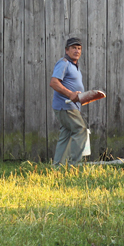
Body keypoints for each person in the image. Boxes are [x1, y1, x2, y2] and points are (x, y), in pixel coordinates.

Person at [50, 37, 87, 166]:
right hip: (65, 106)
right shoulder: (64, 63)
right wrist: (70, 94)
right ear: (67, 50)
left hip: (71, 106)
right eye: (73, 48)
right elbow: (54, 82)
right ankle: (74, 165)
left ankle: (58, 166)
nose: (76, 51)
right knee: (80, 130)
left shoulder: (74, 66)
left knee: (66, 135)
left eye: (79, 48)